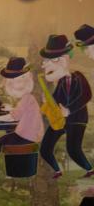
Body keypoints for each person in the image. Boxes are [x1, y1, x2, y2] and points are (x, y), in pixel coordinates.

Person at [0, 57, 44, 176]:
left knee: (2, 140)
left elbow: (14, 117)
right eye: (12, 83)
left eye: (18, 81)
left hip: (28, 135)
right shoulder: (28, 98)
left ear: (26, 80)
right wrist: (11, 109)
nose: (15, 86)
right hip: (30, 133)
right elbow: (22, 112)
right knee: (4, 139)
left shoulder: (27, 98)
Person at [38, 34, 93, 179]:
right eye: (46, 60)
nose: (45, 65)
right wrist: (48, 102)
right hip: (60, 120)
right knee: (45, 148)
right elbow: (57, 98)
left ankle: (90, 169)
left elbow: (86, 95)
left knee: (73, 149)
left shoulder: (78, 77)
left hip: (76, 119)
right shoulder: (61, 81)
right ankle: (57, 170)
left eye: (53, 59)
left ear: (65, 59)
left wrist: (69, 110)